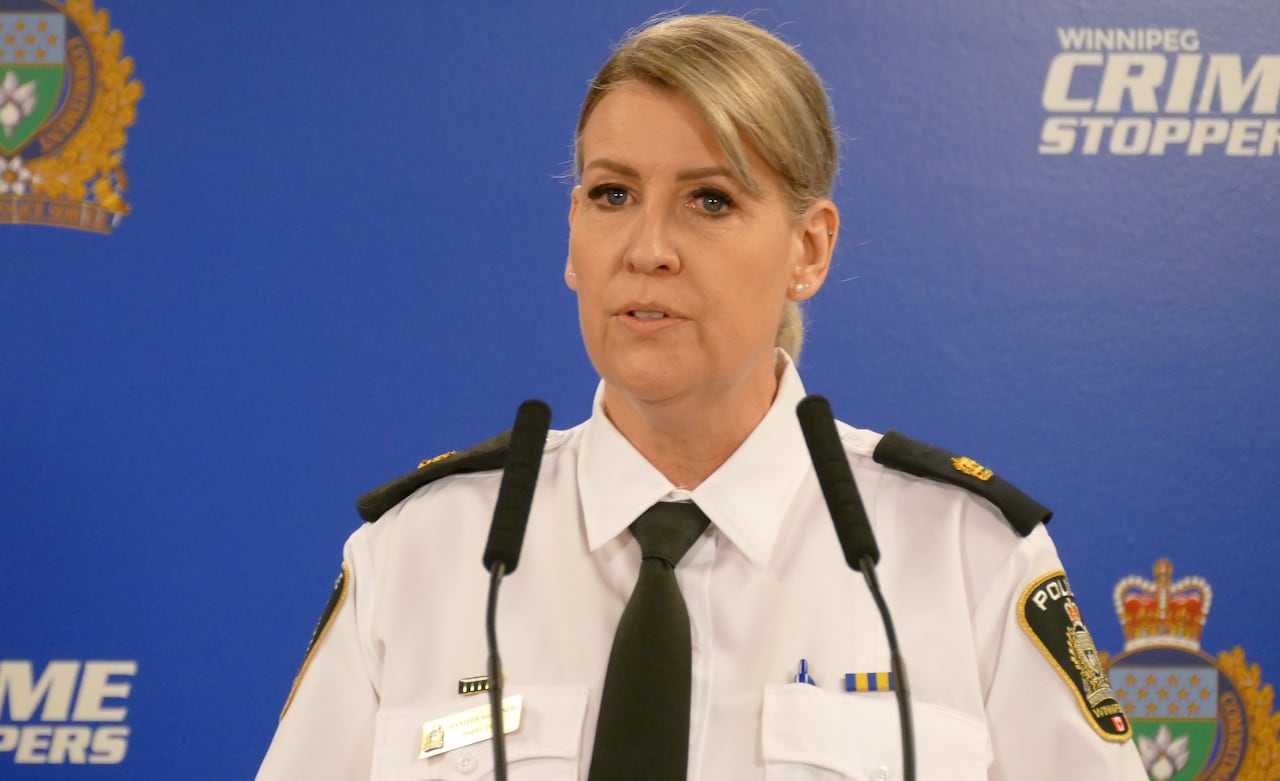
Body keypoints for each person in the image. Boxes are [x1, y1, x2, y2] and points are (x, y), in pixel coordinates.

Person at [257, 13, 1147, 780]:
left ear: (809, 249)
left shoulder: (966, 558)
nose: (648, 247)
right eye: (612, 194)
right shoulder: (419, 557)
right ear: (573, 239)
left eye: (710, 201)